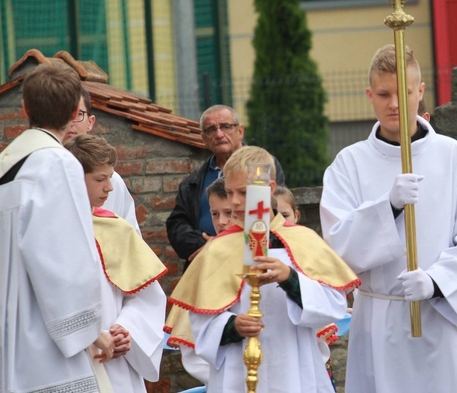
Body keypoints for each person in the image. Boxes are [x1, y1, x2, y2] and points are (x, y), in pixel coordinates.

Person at [320, 44, 457, 393]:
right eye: (384, 94)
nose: (395, 104)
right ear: (370, 96)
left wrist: (437, 281)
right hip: (380, 321)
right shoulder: (348, 164)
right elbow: (337, 248)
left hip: (440, 318)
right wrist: (387, 208)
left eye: (404, 93)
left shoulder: (453, 157)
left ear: (421, 91)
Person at [168, 146, 359, 392]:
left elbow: (333, 306)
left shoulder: (303, 240)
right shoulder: (218, 249)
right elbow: (201, 323)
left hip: (295, 369)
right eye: (229, 192)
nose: (234, 201)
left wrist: (291, 280)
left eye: (244, 192)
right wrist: (231, 327)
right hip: (237, 372)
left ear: (268, 189)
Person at [1, 62, 114, 392]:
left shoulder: (10, 165)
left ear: (24, 108)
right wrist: (90, 330)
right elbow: (64, 258)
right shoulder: (57, 162)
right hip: (45, 345)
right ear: (73, 110)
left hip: (11, 334)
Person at [65, 134, 168, 392]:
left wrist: (127, 329)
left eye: (110, 177)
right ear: (73, 179)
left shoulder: (117, 229)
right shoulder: (53, 232)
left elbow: (149, 298)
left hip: (117, 367)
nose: (110, 188)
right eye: (100, 179)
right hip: (68, 361)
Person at [166, 104, 285, 269]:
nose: (219, 134)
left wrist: (226, 244)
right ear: (204, 138)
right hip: (209, 265)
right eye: (211, 129)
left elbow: (277, 210)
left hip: (257, 259)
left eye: (225, 127)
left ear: (240, 131)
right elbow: (176, 225)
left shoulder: (263, 168)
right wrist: (204, 244)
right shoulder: (192, 182)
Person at [64, 88, 140, 233]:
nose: (70, 122)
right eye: (64, 115)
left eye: (78, 114)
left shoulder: (114, 183)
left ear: (90, 122)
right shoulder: (42, 178)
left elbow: (131, 241)